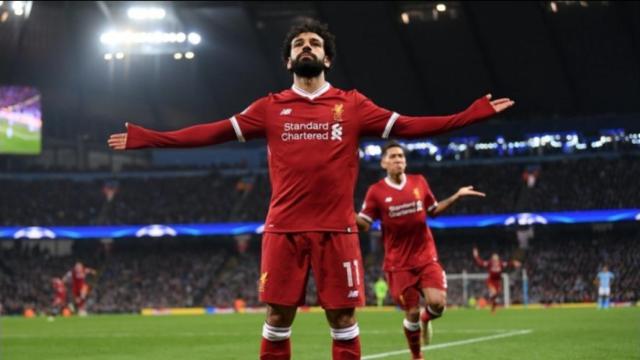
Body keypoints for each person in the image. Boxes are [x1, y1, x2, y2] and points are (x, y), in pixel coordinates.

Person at [108, 20, 514, 360]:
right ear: (288, 60)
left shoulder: (352, 105)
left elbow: (411, 125)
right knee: (279, 317)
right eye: (299, 44)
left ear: (327, 58)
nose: (307, 47)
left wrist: (469, 115)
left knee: (342, 320)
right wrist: (151, 138)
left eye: (315, 43)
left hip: (337, 231)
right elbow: (212, 132)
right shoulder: (269, 107)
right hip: (283, 229)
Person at [356, 141, 486, 360]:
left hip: (426, 257)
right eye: (393, 157)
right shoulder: (376, 192)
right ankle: (417, 356)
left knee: (437, 304)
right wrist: (343, 213)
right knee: (412, 313)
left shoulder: (419, 182)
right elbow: (365, 223)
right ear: (384, 163)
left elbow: (433, 210)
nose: (398, 160)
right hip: (398, 264)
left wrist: (456, 196)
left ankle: (427, 320)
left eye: (401, 156)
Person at [472, 247, 521, 314]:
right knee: (494, 293)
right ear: (492, 259)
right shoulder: (489, 263)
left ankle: (492, 309)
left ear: (498, 259)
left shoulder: (500, 264)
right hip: (491, 281)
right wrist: (476, 256)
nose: (495, 260)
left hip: (498, 282)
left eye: (496, 259)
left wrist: (514, 263)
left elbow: (508, 264)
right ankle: (482, 303)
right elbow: (480, 263)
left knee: (495, 297)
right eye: (494, 259)